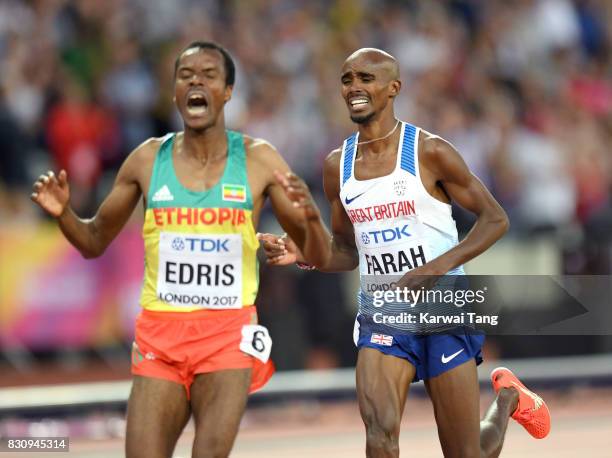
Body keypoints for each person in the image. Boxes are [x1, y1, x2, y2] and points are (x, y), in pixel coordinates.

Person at [31, 41, 330, 458]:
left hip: (227, 335)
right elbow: (93, 241)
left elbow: (320, 253)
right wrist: (63, 213)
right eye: (185, 76)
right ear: (174, 92)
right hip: (161, 337)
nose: (196, 82)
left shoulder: (260, 160)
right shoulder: (147, 160)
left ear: (227, 91)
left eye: (208, 75)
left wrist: (312, 221)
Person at [259, 48, 551, 457]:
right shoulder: (336, 165)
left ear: (393, 87)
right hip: (384, 311)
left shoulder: (430, 152)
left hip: (444, 305)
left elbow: (495, 219)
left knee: (467, 453)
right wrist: (307, 251)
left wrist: (437, 267)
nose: (355, 87)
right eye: (347, 79)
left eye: (366, 78)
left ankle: (507, 400)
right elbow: (346, 250)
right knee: (379, 433)